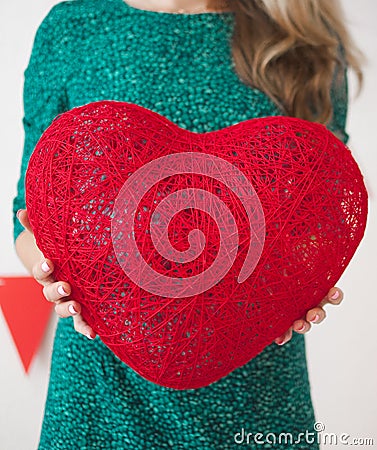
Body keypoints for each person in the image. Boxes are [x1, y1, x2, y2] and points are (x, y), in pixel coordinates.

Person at [13, 0, 362, 448]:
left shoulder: (304, 41)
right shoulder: (74, 27)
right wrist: (51, 273)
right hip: (99, 389)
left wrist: (308, 280)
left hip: (257, 391)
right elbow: (29, 212)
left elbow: (322, 211)